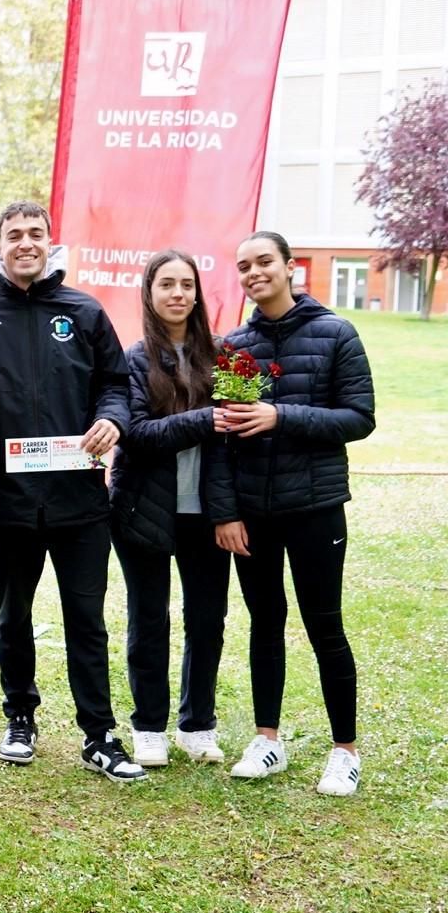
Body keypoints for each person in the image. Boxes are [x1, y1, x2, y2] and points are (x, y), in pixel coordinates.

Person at [0, 201, 145, 783]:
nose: (26, 243)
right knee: (14, 613)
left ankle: (100, 734)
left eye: (36, 233)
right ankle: (20, 717)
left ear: (51, 242)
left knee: (87, 616)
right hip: (6, 497)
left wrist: (114, 420)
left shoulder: (82, 311)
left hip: (80, 498)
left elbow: (116, 383)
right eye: (14, 235)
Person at [208, 231, 375, 796]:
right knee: (265, 624)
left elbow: (358, 417)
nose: (253, 273)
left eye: (264, 263)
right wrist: (227, 512)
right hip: (254, 513)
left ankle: (344, 751)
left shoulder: (335, 334)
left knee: (325, 626)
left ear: (289, 268)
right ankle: (267, 740)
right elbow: (225, 435)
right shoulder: (234, 345)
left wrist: (281, 416)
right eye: (244, 266)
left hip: (316, 508)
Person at [109, 251, 233, 768]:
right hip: (144, 507)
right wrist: (206, 419)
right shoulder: (135, 358)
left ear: (198, 294)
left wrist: (229, 510)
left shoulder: (222, 356)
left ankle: (198, 724)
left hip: (206, 512)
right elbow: (135, 435)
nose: (178, 293)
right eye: (167, 284)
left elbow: (235, 440)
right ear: (150, 292)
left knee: (207, 620)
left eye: (187, 284)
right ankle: (149, 726)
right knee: (148, 620)